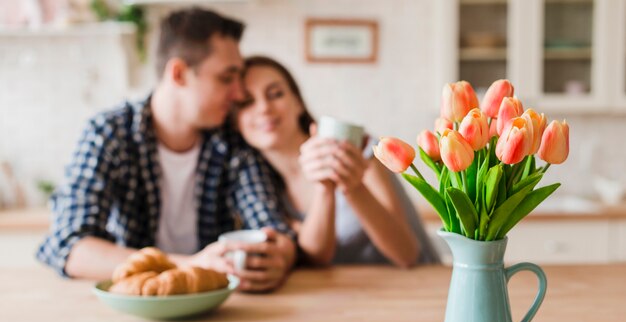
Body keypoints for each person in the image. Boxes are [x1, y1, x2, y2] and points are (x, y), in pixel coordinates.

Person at [37, 9, 296, 293]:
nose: (238, 93)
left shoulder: (232, 141)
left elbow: (274, 230)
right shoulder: (109, 134)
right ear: (179, 74)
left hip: (210, 306)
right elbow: (71, 247)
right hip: (133, 302)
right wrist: (189, 265)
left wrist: (280, 257)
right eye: (226, 78)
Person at [233, 56, 439, 267]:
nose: (264, 108)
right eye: (247, 102)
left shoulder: (358, 148)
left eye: (275, 94)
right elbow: (316, 256)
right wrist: (325, 188)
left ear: (297, 102)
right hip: (342, 295)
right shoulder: (258, 186)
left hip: (415, 285)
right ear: (235, 121)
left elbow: (408, 254)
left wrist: (353, 186)